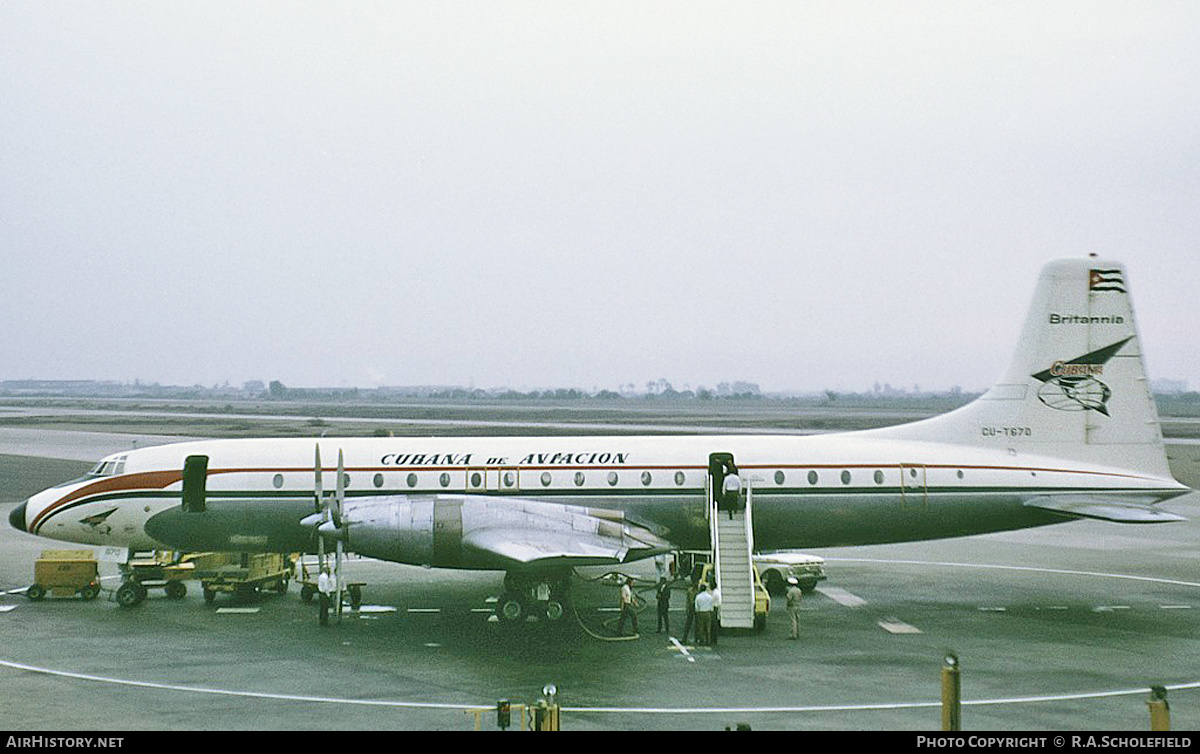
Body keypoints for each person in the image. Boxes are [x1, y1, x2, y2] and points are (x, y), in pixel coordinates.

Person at [681, 578, 698, 643]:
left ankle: (696, 638)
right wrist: (687, 608)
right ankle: (685, 638)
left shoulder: (694, 591)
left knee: (696, 624)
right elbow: (688, 601)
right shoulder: (691, 591)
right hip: (692, 608)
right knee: (689, 624)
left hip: (695, 608)